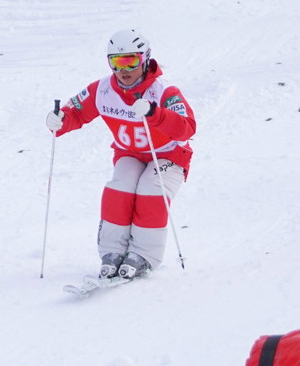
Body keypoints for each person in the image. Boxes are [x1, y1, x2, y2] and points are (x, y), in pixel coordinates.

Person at [46, 29, 196, 280]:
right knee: (120, 187)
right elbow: (76, 113)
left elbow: (187, 128)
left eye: (130, 61)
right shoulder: (103, 90)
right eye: (116, 62)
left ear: (145, 59)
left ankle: (144, 254)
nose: (123, 70)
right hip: (130, 154)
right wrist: (59, 121)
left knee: (151, 188)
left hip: (169, 154)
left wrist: (154, 113)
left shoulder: (163, 92)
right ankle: (112, 252)